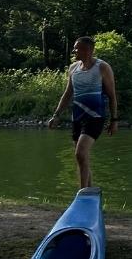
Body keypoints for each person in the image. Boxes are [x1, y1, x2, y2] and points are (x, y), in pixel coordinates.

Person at [48, 36, 119, 188]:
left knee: (80, 153)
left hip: (95, 117)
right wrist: (56, 115)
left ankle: (81, 194)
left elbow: (112, 95)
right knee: (82, 158)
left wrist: (114, 120)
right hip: (78, 117)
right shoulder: (73, 68)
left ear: (88, 50)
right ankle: (90, 193)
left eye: (76, 48)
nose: (73, 51)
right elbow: (67, 94)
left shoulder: (102, 67)